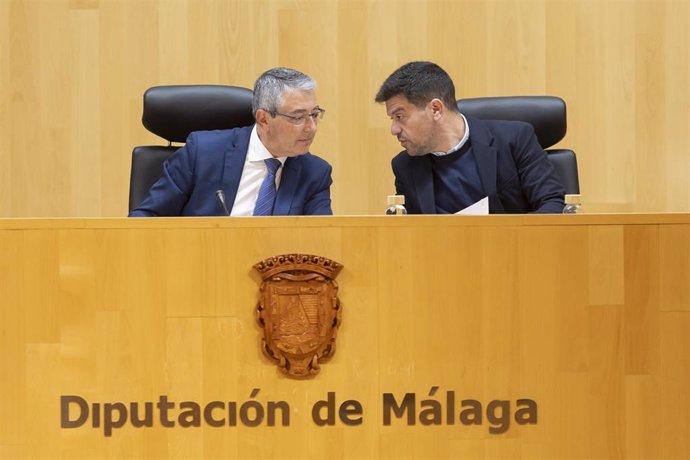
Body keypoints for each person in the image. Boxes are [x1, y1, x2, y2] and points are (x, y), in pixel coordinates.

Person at [129, 67, 333, 217]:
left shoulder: (315, 173)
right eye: (298, 117)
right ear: (263, 119)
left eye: (314, 114)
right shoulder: (203, 153)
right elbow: (146, 219)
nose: (311, 127)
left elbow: (321, 241)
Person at [374, 61, 565, 214]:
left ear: (435, 109)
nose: (394, 129)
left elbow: (553, 205)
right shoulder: (405, 167)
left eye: (400, 117)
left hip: (516, 256)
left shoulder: (514, 139)